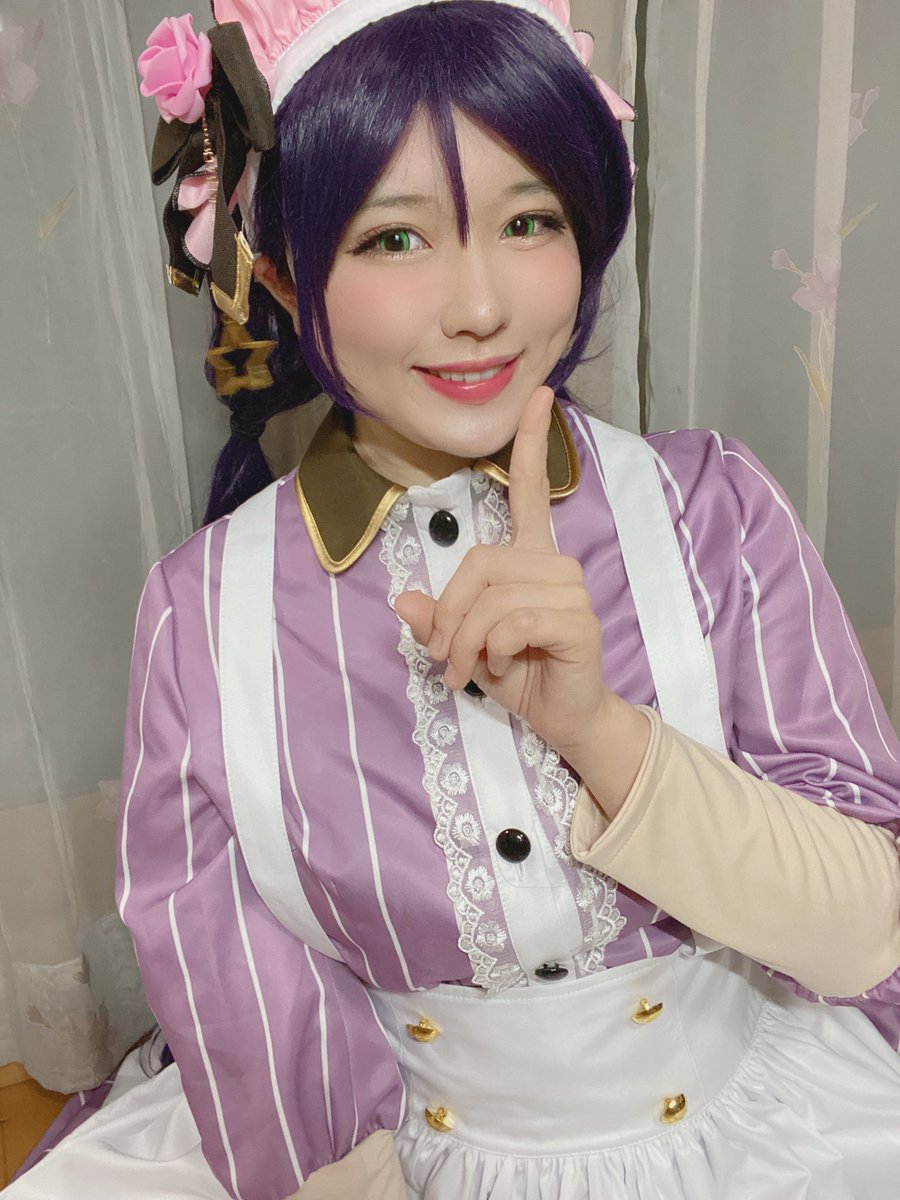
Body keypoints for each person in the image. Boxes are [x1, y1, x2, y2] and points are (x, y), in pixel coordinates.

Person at [8, 1, 900, 1198]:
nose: (479, 306)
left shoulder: (713, 512)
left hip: (778, 1131)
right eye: (394, 238)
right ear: (283, 274)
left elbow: (864, 932)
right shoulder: (205, 612)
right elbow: (249, 1001)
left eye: (530, 221)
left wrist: (601, 732)